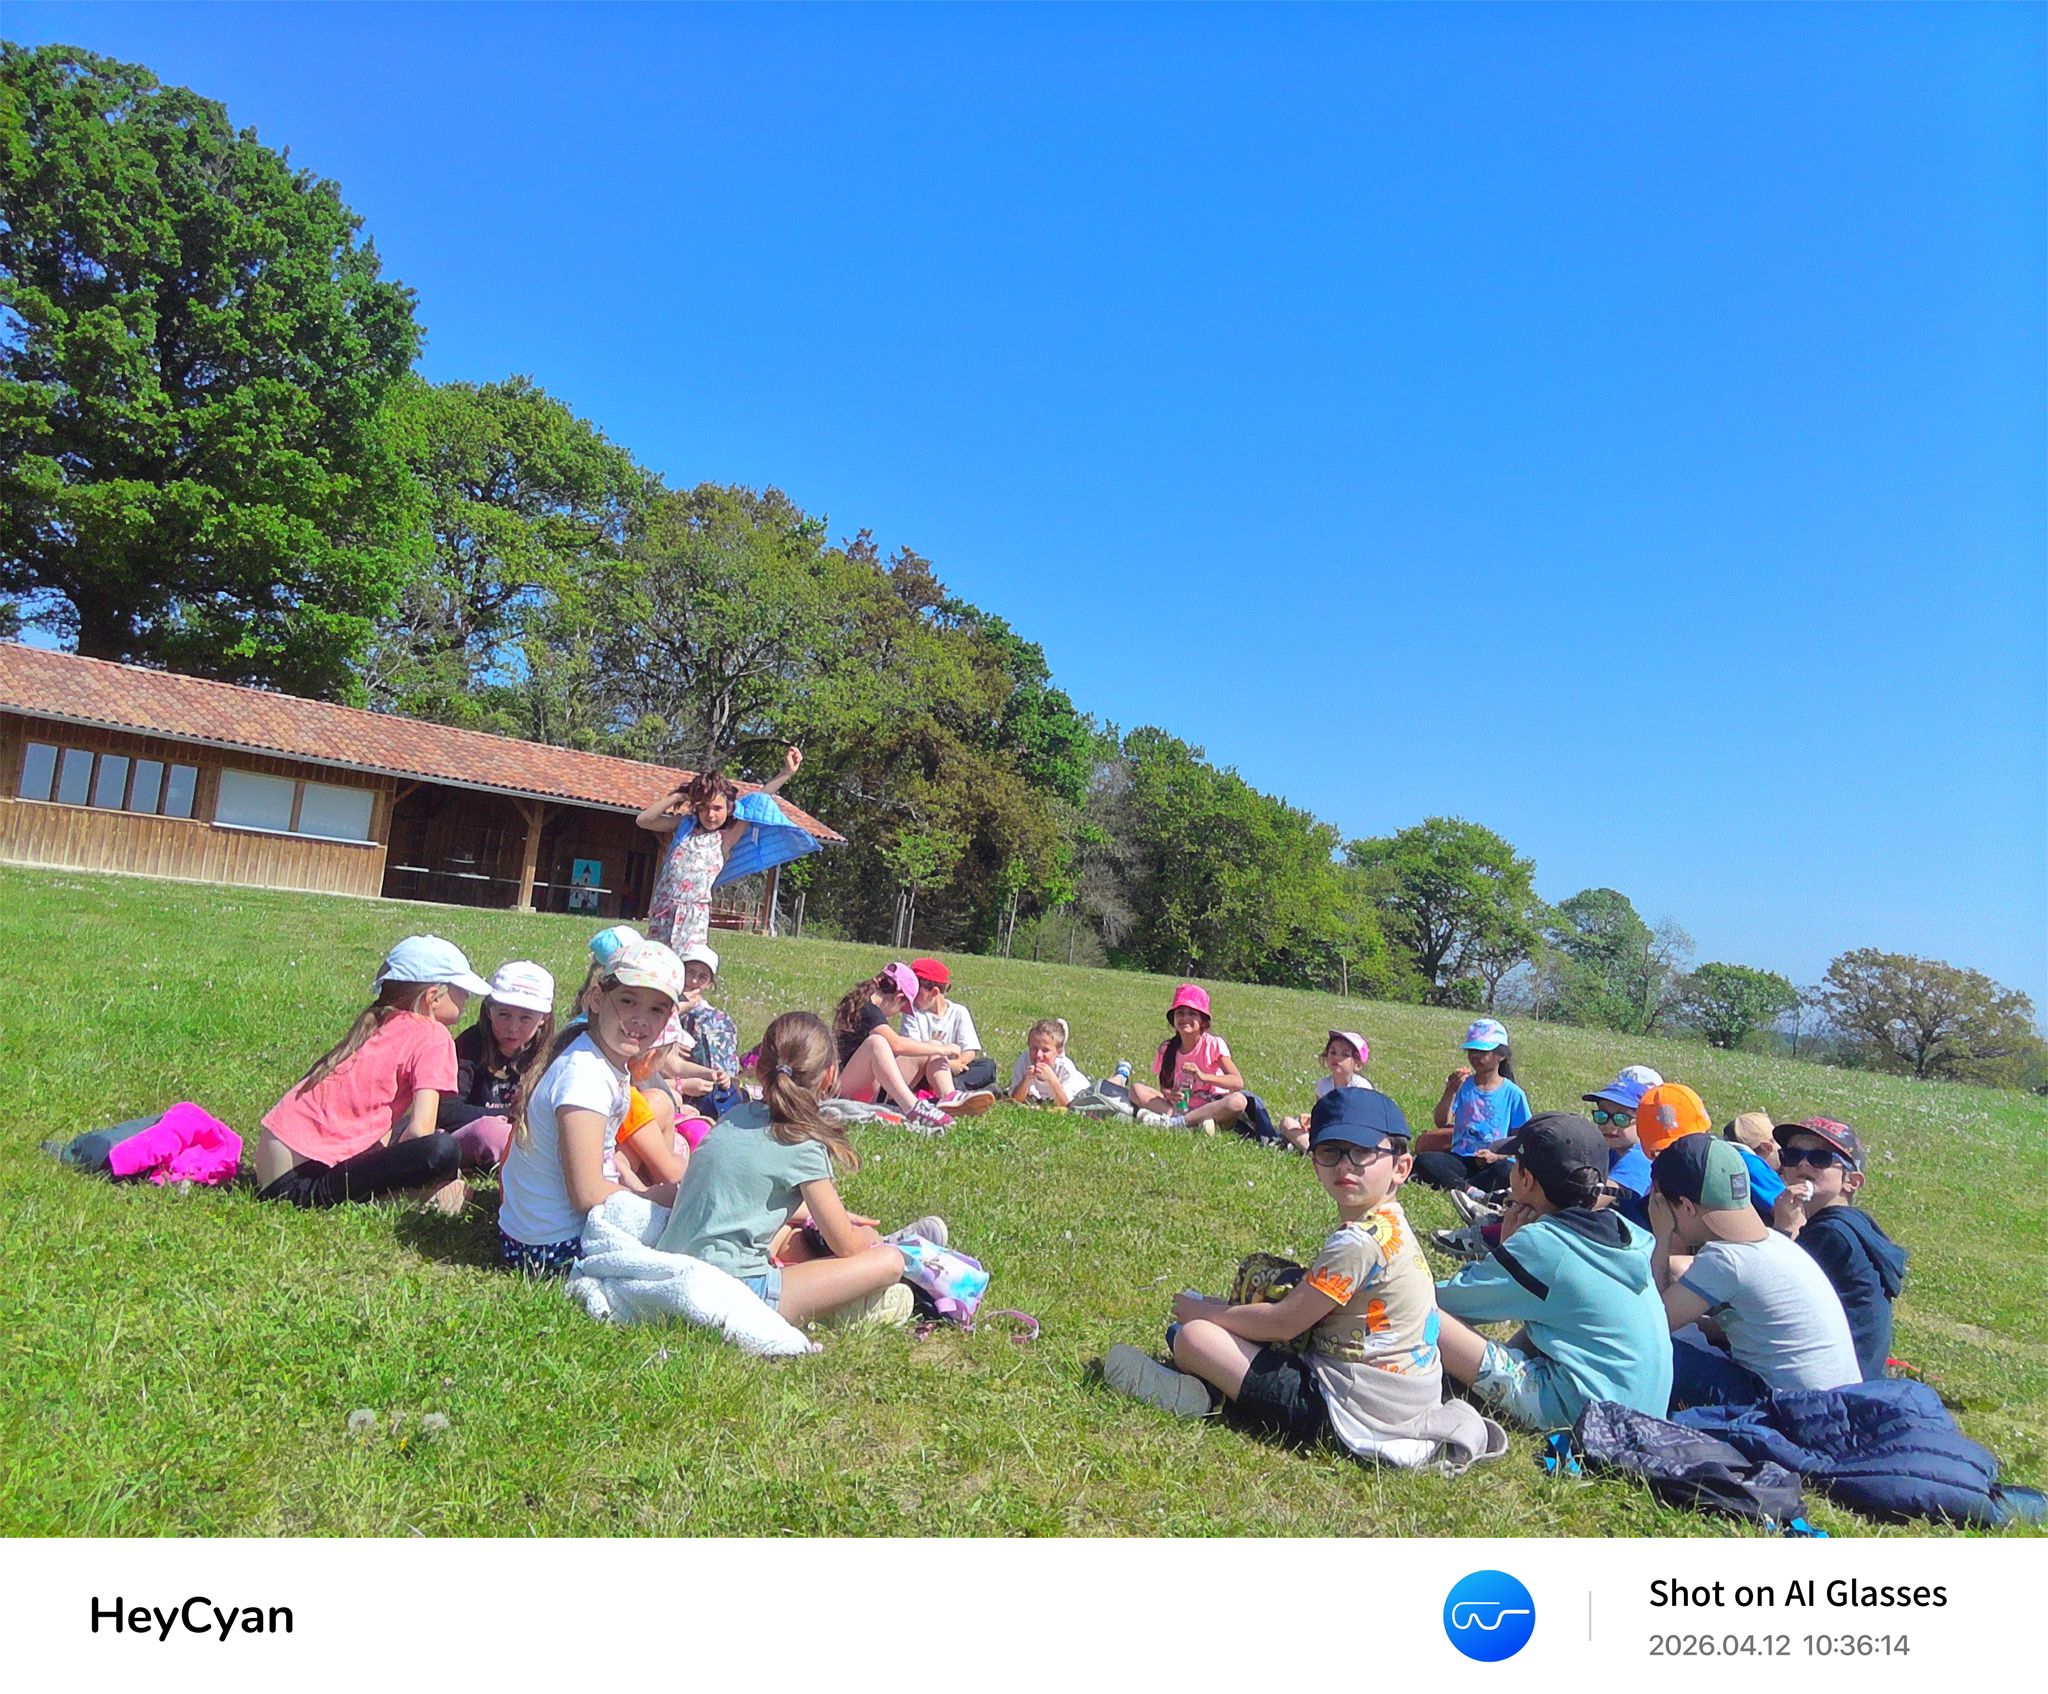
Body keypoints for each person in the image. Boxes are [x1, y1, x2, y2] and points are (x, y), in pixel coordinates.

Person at [1101, 1089, 1503, 1470]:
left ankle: (1201, 1394)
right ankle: (1207, 1382)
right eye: (1330, 1152)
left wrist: (1205, 1313)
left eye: (1362, 1151)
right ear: (1315, 1164)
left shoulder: (1359, 1242)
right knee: (1214, 1329)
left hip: (1351, 1412)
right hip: (1400, 1399)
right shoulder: (1390, 1224)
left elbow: (1284, 1323)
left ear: (1401, 1168)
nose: (1344, 1164)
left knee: (1193, 1337)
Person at [658, 1011, 919, 1326]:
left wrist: (829, 1215)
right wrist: (869, 1236)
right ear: (829, 1075)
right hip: (733, 1292)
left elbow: (745, 1197)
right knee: (889, 1262)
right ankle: (857, 1290)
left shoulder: (736, 1116)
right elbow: (847, 1245)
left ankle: (837, 1297)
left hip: (675, 1269)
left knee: (786, 1234)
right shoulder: (802, 1142)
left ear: (761, 1068)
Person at [1434, 1114, 1673, 1426]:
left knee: (1420, 1312)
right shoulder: (1625, 1232)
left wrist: (1506, 1252)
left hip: (1585, 1415)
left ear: (1526, 1179)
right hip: (1641, 1413)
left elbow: (1449, 1302)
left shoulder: (1543, 1246)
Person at [255, 936, 504, 1211]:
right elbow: (420, 1131)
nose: (467, 997)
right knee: (444, 1149)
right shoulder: (433, 1035)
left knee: (412, 1135)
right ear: (433, 997)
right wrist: (442, 1176)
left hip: (273, 1171)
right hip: (303, 1186)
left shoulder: (379, 1020)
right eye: (462, 990)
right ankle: (417, 1198)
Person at [497, 939, 689, 1275]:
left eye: (656, 1009)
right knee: (693, 1237)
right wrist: (654, 1198)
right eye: (628, 1001)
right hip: (549, 1246)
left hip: (538, 1235)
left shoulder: (597, 1059)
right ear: (597, 998)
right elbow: (586, 1193)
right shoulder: (585, 1077)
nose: (641, 1020)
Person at [1647, 1135, 1860, 1409]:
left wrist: (1662, 1236)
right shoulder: (1775, 1243)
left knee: (1654, 1351)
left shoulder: (1726, 1259)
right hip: (1836, 1405)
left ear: (1686, 1207)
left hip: (1788, 1410)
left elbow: (1652, 1326)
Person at [1771, 1117, 1907, 1382]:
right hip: (1855, 1378)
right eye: (1792, 1155)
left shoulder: (1831, 1235)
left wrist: (1783, 1229)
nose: (1802, 1164)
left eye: (1819, 1158)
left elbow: (1769, 1296)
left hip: (1830, 1388)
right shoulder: (1852, 1224)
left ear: (1851, 1182)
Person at [636, 749, 803, 951]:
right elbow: (644, 820)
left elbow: (757, 801)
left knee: (687, 964)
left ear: (729, 808)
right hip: (663, 910)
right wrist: (679, 796)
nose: (710, 814)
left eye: (717, 808)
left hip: (692, 917)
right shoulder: (684, 827)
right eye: (704, 807)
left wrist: (786, 773)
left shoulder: (725, 839)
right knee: (656, 962)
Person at [831, 963, 984, 1130]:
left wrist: (936, 1048)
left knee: (931, 1045)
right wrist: (944, 1050)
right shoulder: (867, 1010)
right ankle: (913, 1107)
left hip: (869, 1086)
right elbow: (896, 1044)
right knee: (877, 1043)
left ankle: (949, 1096)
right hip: (848, 1091)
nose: (899, 1012)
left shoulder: (866, 1006)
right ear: (898, 997)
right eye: (902, 1007)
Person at [1629, 1082, 1784, 1230]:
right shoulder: (1653, 1199)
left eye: (1688, 1147)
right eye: (1663, 1152)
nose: (1677, 1159)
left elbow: (1784, 1209)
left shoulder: (1741, 1165)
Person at [1413, 1018, 1531, 1194]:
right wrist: (1450, 1091)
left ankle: (1457, 1185)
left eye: (1482, 1051)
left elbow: (1522, 1138)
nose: (1474, 1056)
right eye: (1471, 1051)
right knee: (1424, 1161)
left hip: (1493, 1163)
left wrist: (1497, 1155)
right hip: (1461, 1158)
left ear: (1501, 1055)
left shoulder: (1513, 1094)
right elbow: (1441, 1122)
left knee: (1506, 1171)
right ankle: (1470, 1190)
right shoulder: (1464, 1086)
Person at [439, 960, 555, 1133]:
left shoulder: (552, 1055)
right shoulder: (470, 1045)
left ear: (544, 1018)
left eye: (525, 1018)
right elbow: (447, 1111)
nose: (512, 1027)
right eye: (503, 1014)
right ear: (489, 1010)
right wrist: (511, 1116)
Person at [1126, 984, 1249, 1133]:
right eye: (1180, 1013)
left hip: (1213, 1106)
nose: (1185, 1018)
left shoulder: (1212, 1045)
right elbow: (1164, 1086)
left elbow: (1237, 1082)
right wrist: (1169, 1093)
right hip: (1181, 1107)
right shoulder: (1167, 1049)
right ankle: (1188, 1122)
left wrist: (1203, 1077)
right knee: (1136, 1090)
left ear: (1203, 1021)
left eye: (1192, 1014)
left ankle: (1180, 1122)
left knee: (1237, 1101)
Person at [901, 957, 996, 1107]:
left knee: (987, 1066)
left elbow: (969, 1050)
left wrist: (957, 1064)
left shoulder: (959, 1012)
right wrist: (946, 1065)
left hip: (955, 1068)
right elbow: (913, 1051)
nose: (911, 996)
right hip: (925, 1073)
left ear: (934, 992)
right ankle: (959, 1093)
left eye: (916, 991)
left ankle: (954, 1089)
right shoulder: (912, 1013)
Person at [1277, 1030, 1376, 1152]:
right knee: (1287, 1123)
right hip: (1326, 1133)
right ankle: (1317, 1151)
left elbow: (1361, 1122)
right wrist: (1312, 1121)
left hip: (1351, 1136)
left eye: (1345, 1055)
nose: (1337, 1057)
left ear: (1357, 1064)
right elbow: (1321, 1114)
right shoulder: (1323, 1086)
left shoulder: (1361, 1088)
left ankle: (1319, 1152)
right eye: (1333, 1052)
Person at [1009, 1018, 1090, 1108]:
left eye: (1045, 1050)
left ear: (1058, 1051)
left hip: (1083, 1094)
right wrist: (1025, 1080)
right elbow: (1014, 1100)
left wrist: (1052, 1080)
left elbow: (1067, 1106)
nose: (1038, 1055)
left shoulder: (1065, 1069)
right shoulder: (1024, 1061)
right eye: (1034, 1048)